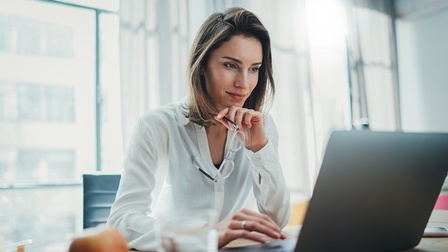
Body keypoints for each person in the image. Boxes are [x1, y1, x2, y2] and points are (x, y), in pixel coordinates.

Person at [107, 7, 291, 250]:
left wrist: (259, 149)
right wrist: (203, 235)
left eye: (254, 69)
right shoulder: (157, 125)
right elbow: (120, 222)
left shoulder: (261, 127)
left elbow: (276, 220)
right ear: (202, 64)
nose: (244, 84)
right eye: (230, 65)